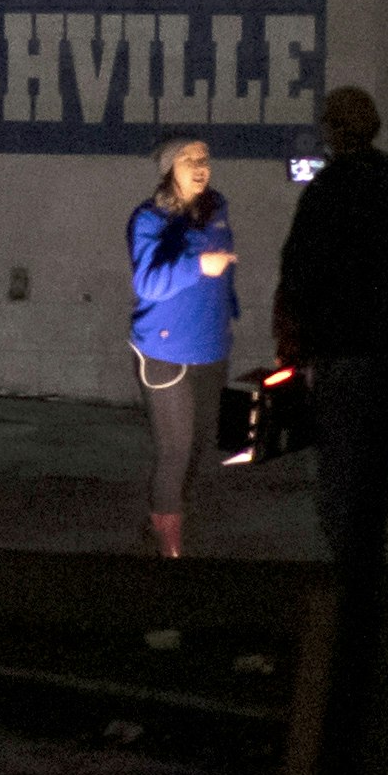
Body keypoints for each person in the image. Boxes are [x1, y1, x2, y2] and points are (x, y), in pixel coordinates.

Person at [273, 84, 388, 571]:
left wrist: (293, 333)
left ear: (335, 129)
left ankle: (347, 563)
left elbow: (299, 268)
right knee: (377, 458)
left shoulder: (328, 190)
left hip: (341, 343)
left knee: (339, 457)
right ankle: (370, 555)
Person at [127, 134, 238, 555]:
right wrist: (198, 267)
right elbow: (148, 283)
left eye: (204, 158)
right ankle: (168, 545)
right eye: (187, 159)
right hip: (163, 352)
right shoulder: (150, 219)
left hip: (211, 350)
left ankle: (164, 511)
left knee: (199, 446)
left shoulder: (216, 209)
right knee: (175, 449)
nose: (199, 165)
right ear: (169, 169)